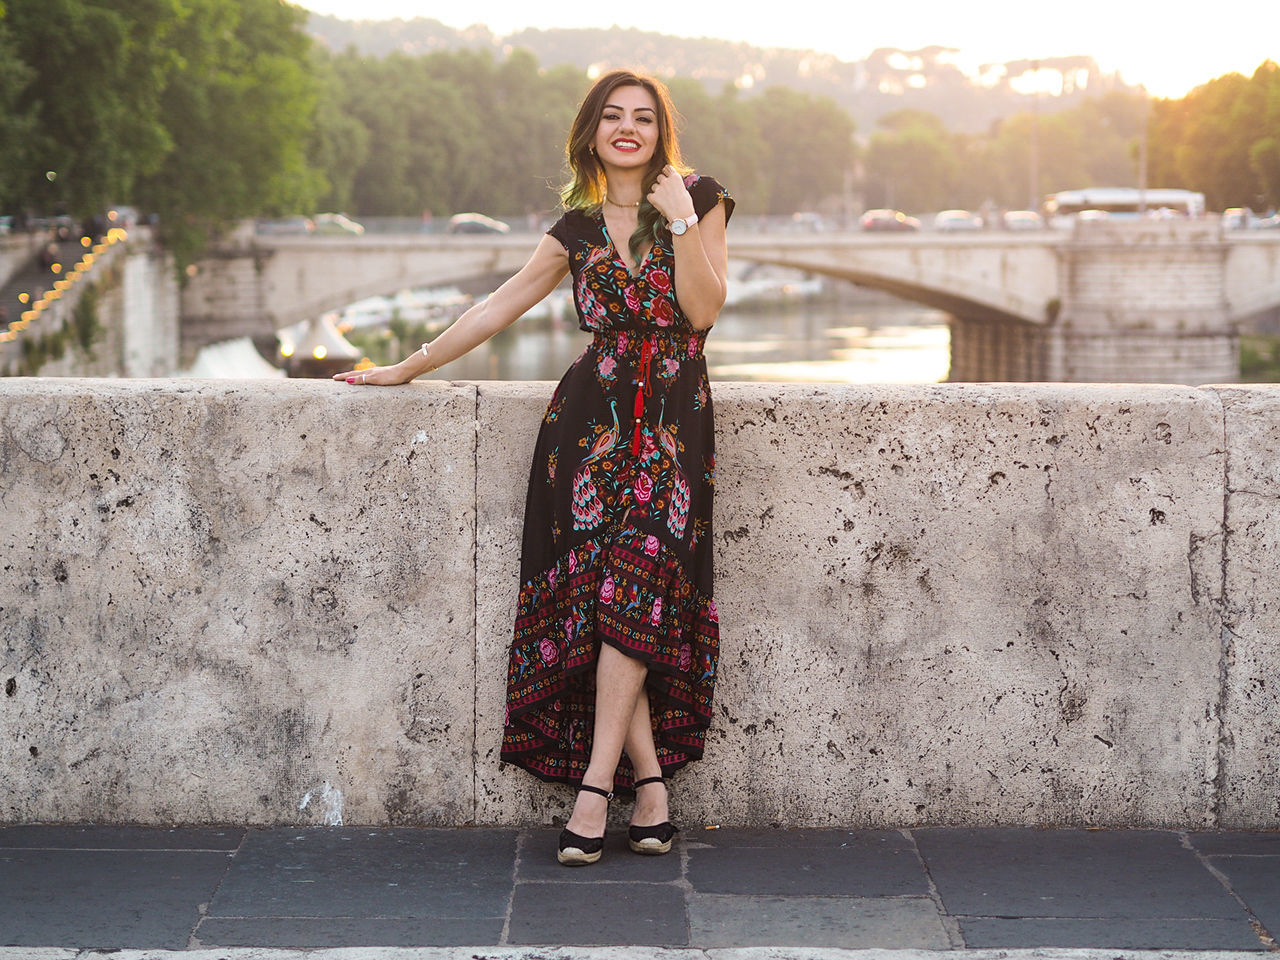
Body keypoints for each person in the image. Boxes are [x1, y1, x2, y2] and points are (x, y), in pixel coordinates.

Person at [333, 69, 734, 866]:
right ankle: (649, 786)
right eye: (613, 117)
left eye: (643, 118)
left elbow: (703, 312)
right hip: (586, 431)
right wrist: (403, 369)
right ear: (591, 133)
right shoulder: (576, 230)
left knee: (641, 581)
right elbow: (495, 306)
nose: (628, 128)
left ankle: (594, 787)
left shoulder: (702, 197)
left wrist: (683, 222)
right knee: (608, 597)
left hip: (673, 431)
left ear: (661, 132)